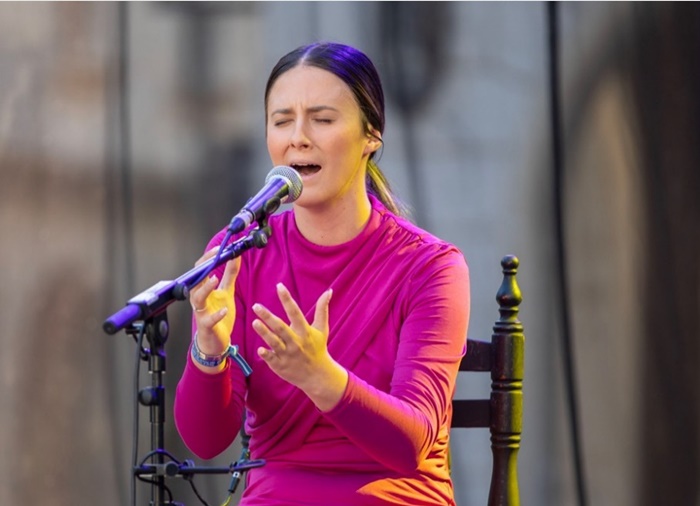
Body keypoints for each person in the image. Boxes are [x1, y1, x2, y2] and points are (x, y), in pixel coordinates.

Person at [174, 41, 470, 506]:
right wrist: (208, 349)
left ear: (371, 135)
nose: (299, 137)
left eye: (323, 119)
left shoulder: (430, 268)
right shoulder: (237, 254)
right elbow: (206, 441)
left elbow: (413, 443)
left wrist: (321, 377)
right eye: (282, 120)